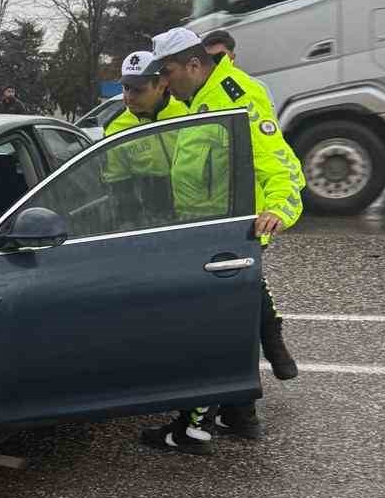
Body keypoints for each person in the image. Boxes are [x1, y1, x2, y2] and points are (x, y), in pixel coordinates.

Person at [141, 26, 305, 451]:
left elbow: (279, 164)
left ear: (195, 65)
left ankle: (192, 427)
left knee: (207, 335)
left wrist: (280, 210)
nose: (164, 82)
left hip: (228, 240)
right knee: (232, 329)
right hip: (204, 234)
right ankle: (240, 413)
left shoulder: (238, 97)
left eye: (168, 72)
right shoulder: (196, 101)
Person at [101, 50, 188, 219]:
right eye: (126, 88)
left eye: (138, 90)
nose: (128, 97)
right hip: (153, 217)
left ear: (161, 85)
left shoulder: (188, 110)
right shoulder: (115, 127)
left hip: (199, 211)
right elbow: (118, 186)